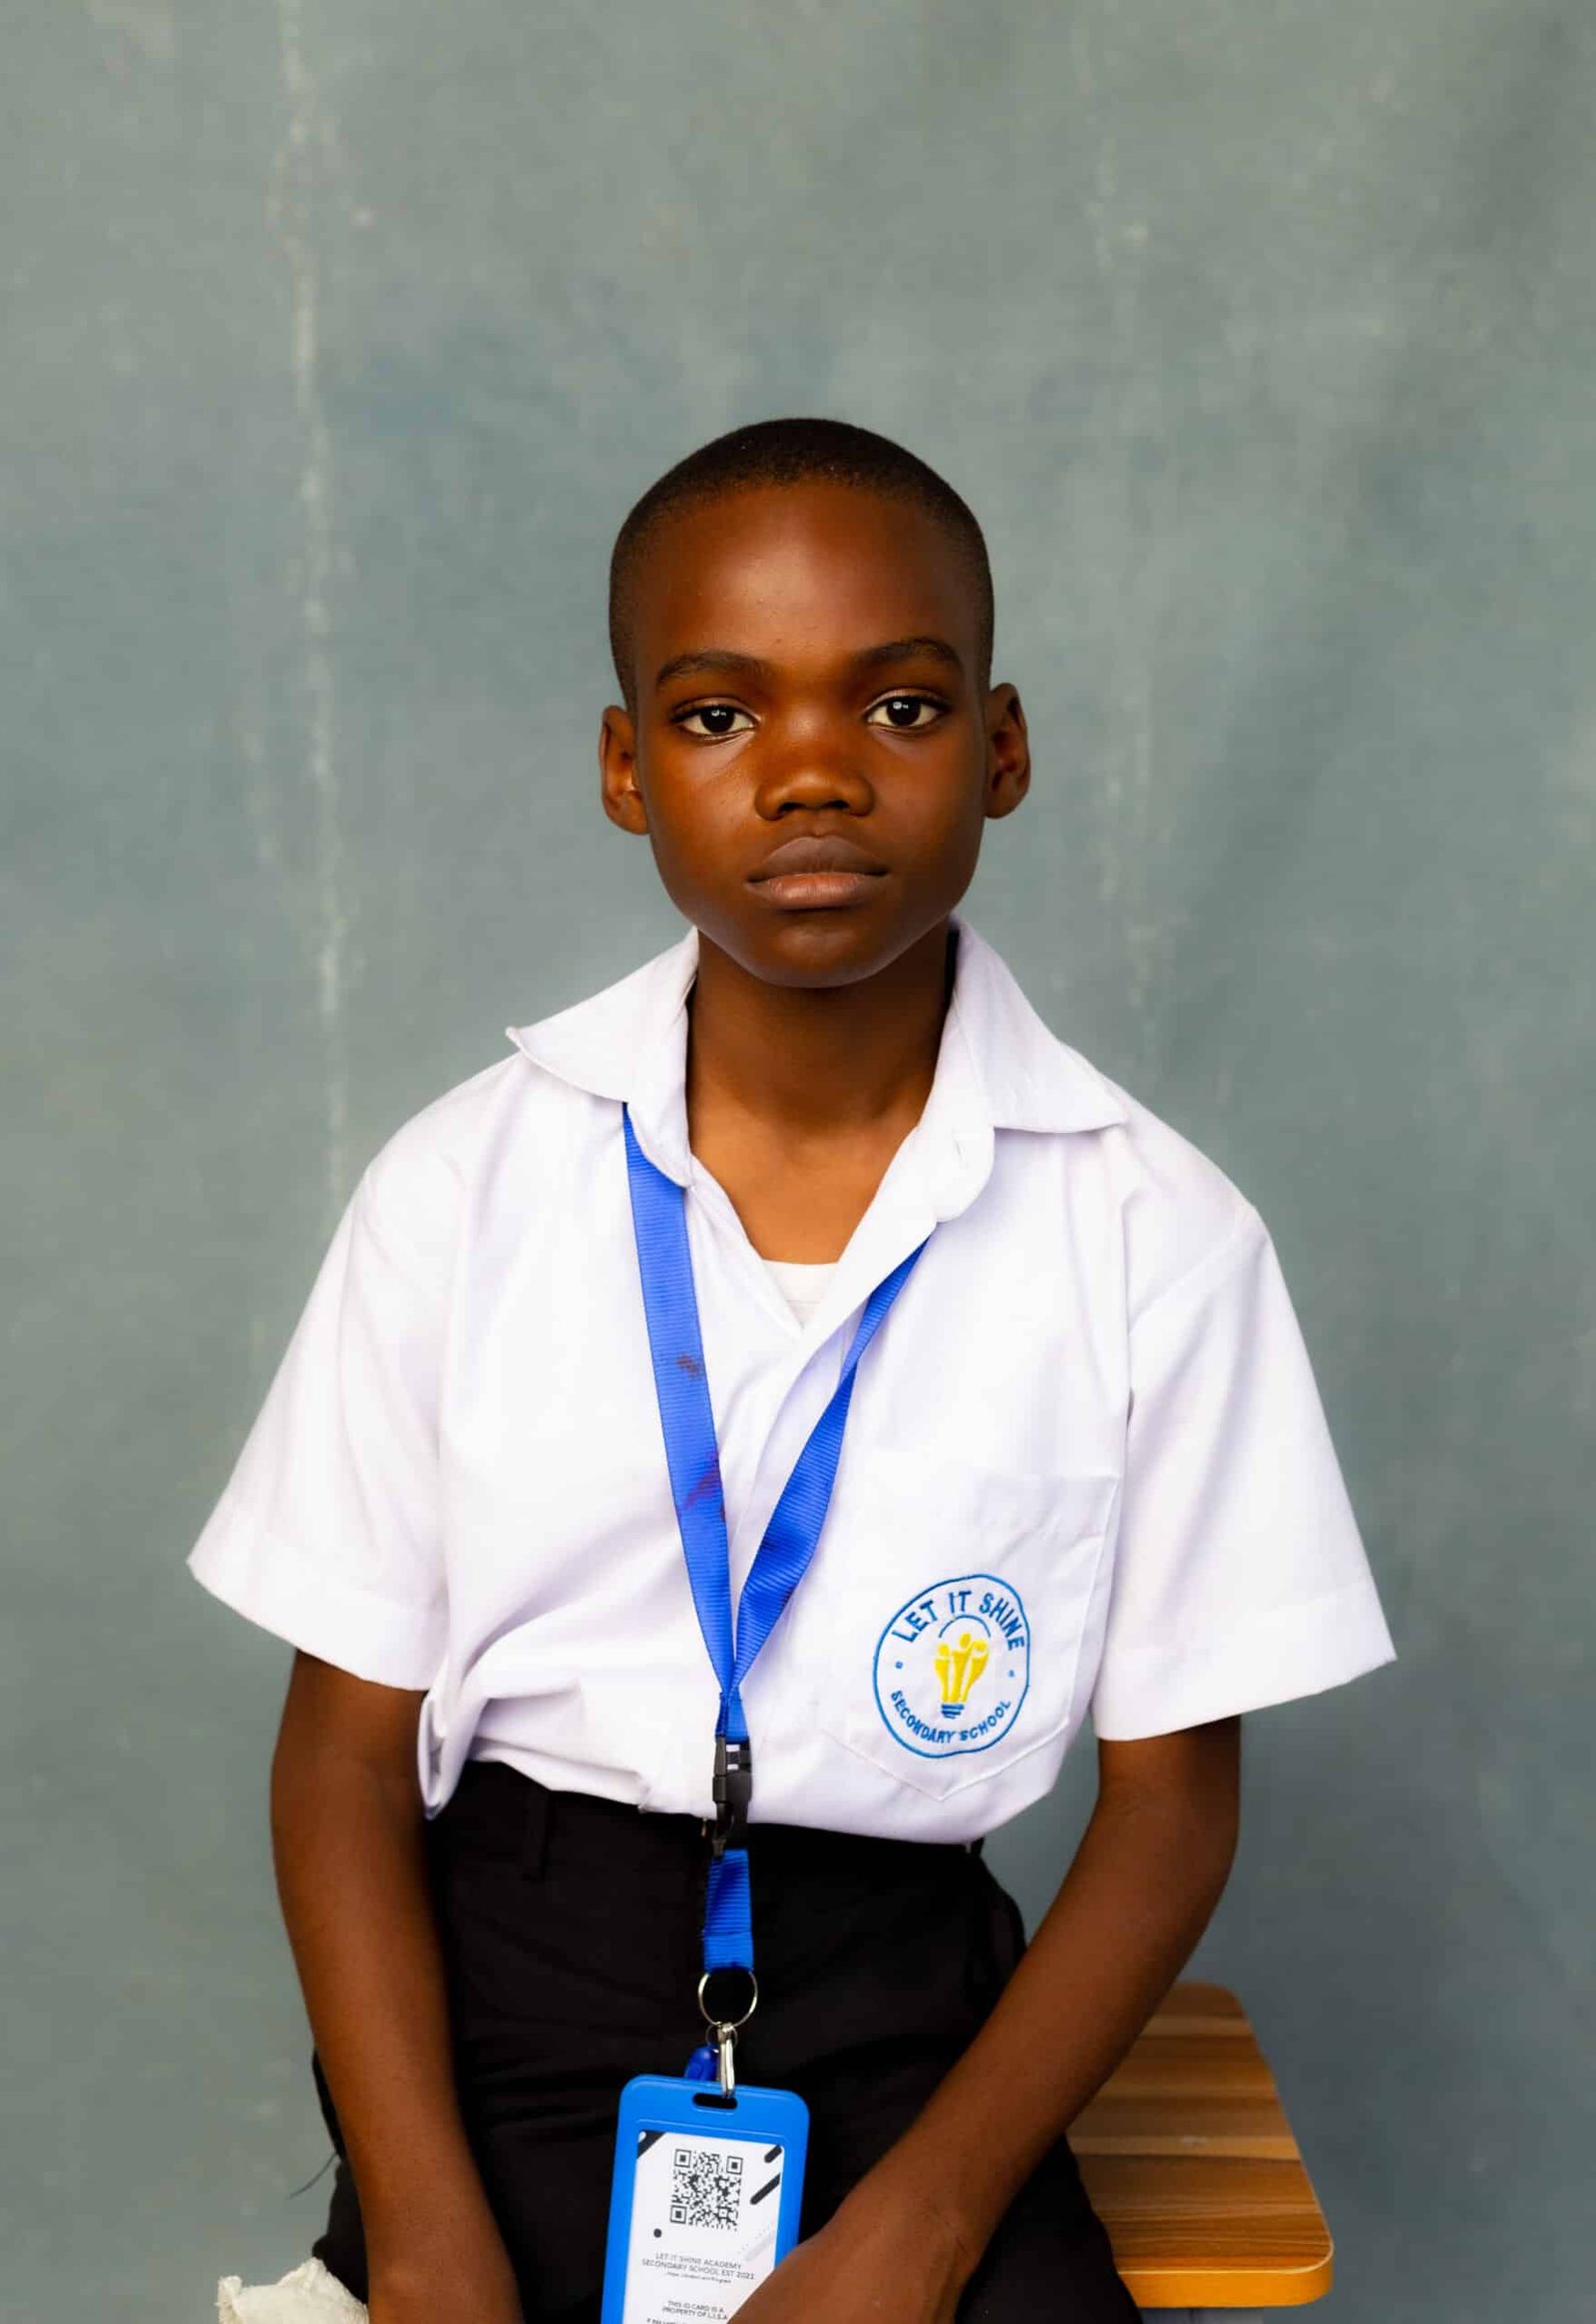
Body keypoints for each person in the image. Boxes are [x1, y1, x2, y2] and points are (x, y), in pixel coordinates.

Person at [191, 417, 1396, 2324]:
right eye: (720, 714)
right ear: (627, 768)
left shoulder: (1156, 1235)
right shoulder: (463, 1189)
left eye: (900, 707)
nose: (815, 769)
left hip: (914, 2026)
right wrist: (421, 2237)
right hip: (512, 2000)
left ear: (1002, 747)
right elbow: (341, 1757)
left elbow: (1172, 1806)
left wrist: (923, 2232)